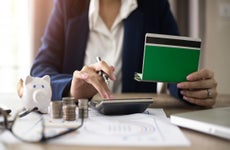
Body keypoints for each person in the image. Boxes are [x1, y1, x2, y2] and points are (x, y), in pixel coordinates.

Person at [31, 0, 217, 107]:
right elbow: (40, 69)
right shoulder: (67, 4)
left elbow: (174, 71)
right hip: (78, 118)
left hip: (138, 122)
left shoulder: (155, 5)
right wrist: (71, 88)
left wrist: (192, 89)